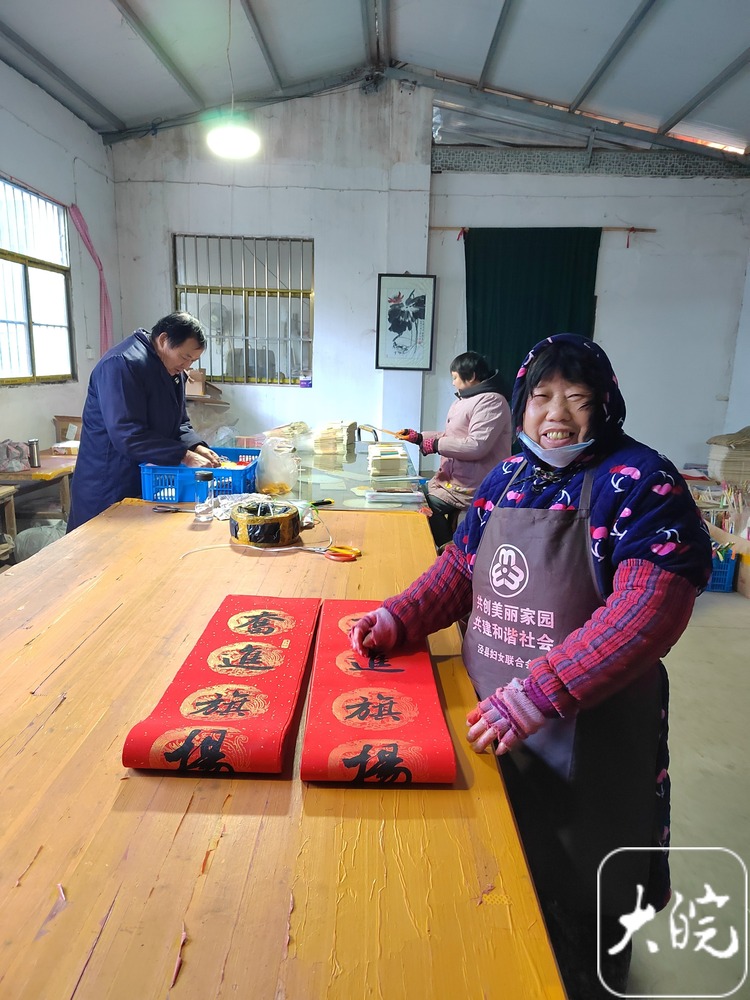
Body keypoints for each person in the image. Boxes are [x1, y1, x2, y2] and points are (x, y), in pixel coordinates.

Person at [351, 334, 712, 997]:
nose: (557, 414)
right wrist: (397, 619)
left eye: (577, 398)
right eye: (542, 397)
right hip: (497, 723)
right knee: (506, 879)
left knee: (586, 898)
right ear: (520, 406)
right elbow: (460, 569)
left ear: (606, 403)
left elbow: (648, 610)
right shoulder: (508, 477)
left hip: (589, 736)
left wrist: (541, 694)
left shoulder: (642, 482)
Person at [67, 311, 221, 531]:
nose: (187, 365)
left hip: (145, 477)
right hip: (109, 481)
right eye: (185, 357)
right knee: (102, 552)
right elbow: (128, 435)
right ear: (163, 339)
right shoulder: (121, 365)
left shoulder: (170, 369)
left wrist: (196, 446)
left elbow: (179, 422)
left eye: (193, 361)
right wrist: (184, 456)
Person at [396, 351, 511, 546]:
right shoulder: (465, 400)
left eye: (455, 377)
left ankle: (448, 551)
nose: (453, 383)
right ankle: (443, 548)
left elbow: (476, 445)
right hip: (455, 479)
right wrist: (420, 437)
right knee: (416, 495)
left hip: (474, 483)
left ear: (472, 376)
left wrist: (435, 445)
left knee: (427, 506)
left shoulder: (492, 401)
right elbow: (454, 437)